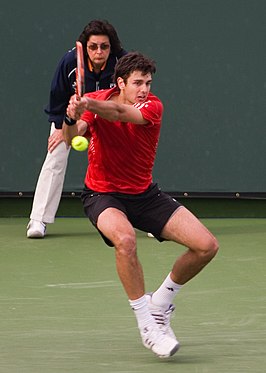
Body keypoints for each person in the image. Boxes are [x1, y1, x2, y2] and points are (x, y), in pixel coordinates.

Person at [63, 52, 219, 358]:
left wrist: (87, 104)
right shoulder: (96, 100)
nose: (144, 88)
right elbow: (72, 138)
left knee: (206, 245)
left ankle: (160, 304)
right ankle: (147, 324)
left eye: (148, 82)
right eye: (137, 83)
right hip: (102, 195)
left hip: (144, 195)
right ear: (121, 83)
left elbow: (120, 115)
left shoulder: (152, 106)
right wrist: (71, 118)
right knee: (125, 239)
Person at [27, 19, 126, 238]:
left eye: (104, 46)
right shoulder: (70, 62)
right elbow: (57, 100)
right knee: (55, 154)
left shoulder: (122, 63)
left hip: (109, 115)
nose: (99, 52)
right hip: (74, 116)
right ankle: (38, 220)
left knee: (130, 159)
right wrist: (64, 128)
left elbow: (128, 101)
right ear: (85, 47)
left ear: (112, 47)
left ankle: (150, 218)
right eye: (93, 47)